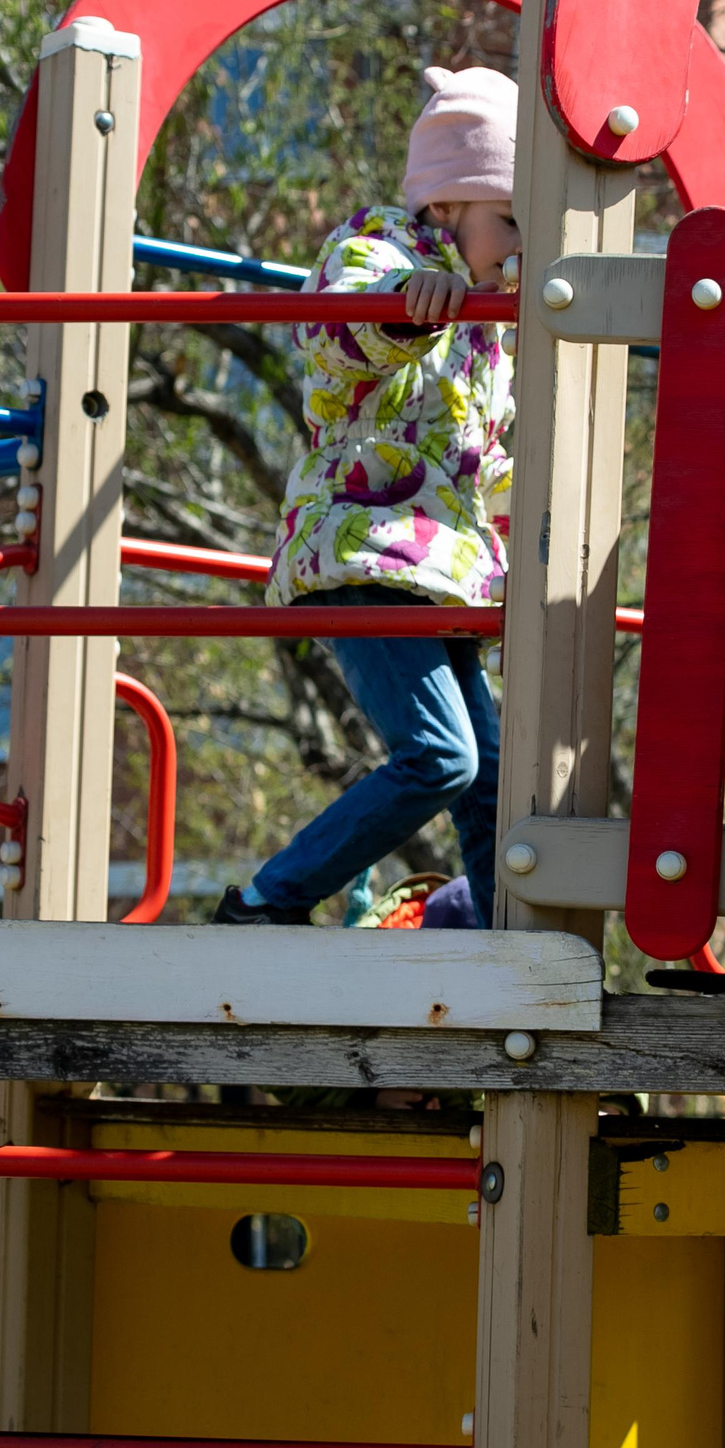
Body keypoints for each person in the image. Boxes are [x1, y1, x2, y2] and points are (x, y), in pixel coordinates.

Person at [212, 66, 519, 927]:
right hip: (364, 550)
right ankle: (268, 898)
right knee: (440, 756)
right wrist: (405, 313)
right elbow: (336, 332)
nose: (518, 244)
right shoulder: (382, 249)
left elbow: (486, 451)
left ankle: (499, 938)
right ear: (451, 203)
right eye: (510, 220)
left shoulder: (488, 322)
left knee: (493, 775)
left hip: (442, 574)